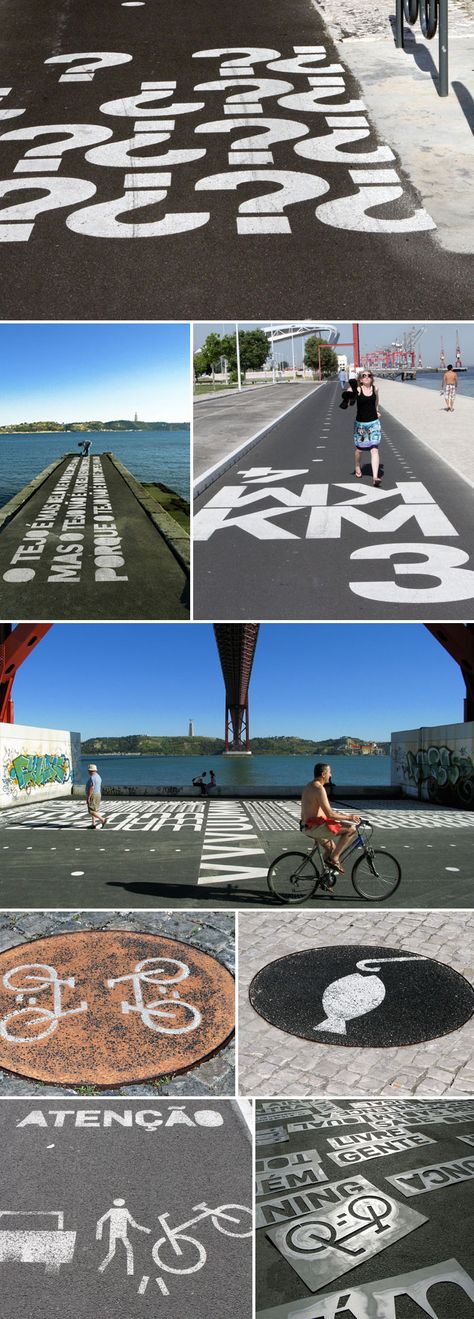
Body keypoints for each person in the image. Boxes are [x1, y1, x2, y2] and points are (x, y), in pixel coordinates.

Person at [300, 763, 361, 879]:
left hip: (308, 826)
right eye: (329, 772)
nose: (330, 775)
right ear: (323, 774)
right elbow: (330, 814)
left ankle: (324, 878)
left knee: (331, 848)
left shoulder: (309, 786)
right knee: (351, 829)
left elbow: (315, 812)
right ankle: (335, 858)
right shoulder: (319, 789)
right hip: (315, 827)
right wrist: (349, 817)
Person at [348, 370, 382, 485]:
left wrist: (377, 410)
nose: (367, 377)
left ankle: (375, 477)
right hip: (361, 424)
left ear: (372, 378)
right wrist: (349, 393)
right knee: (360, 449)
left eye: (369, 376)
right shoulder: (358, 389)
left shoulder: (375, 389)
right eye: (364, 376)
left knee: (374, 449)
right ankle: (357, 465)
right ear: (360, 379)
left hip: (374, 423)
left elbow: (377, 400)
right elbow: (349, 392)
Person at [85, 762, 107, 829]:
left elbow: (92, 787)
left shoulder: (92, 778)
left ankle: (102, 820)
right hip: (98, 794)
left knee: (91, 811)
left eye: (89, 770)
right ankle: (93, 824)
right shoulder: (98, 776)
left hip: (93, 795)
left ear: (90, 771)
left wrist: (88, 797)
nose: (88, 771)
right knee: (95, 810)